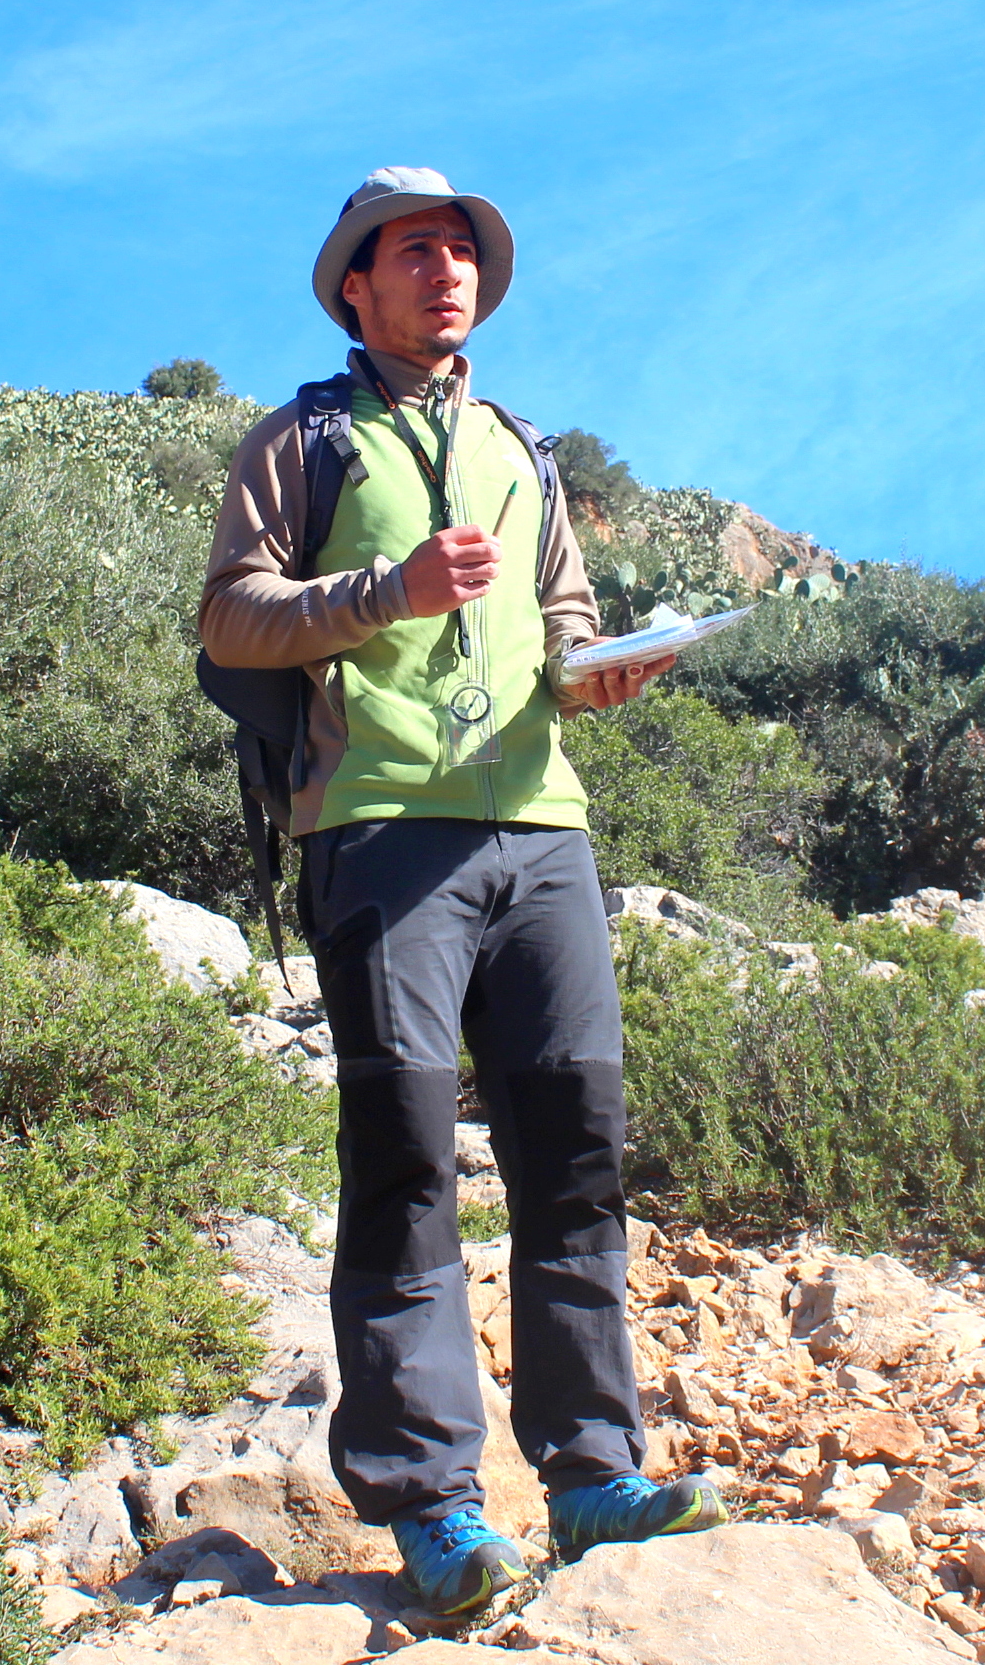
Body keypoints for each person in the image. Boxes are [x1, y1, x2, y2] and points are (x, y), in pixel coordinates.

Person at [196, 168, 726, 1616]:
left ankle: (594, 1478)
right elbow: (232, 620)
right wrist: (385, 591)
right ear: (354, 286)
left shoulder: (522, 449)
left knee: (574, 1152)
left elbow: (562, 620)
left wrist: (601, 670)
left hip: (543, 830)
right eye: (415, 251)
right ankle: (432, 1508)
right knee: (407, 1159)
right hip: (380, 833)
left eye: (463, 251)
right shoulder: (300, 441)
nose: (448, 270)